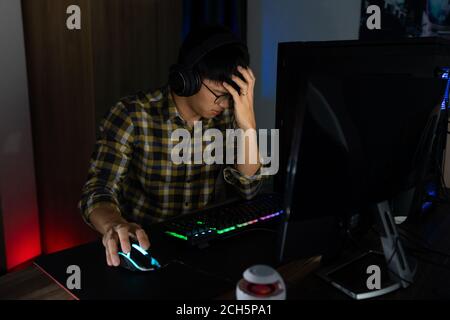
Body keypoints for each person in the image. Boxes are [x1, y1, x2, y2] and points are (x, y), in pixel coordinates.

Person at [78, 25, 266, 267]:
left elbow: (249, 190)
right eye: (219, 94)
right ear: (186, 79)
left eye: (232, 96)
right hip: (147, 245)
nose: (225, 104)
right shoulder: (132, 115)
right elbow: (97, 191)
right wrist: (115, 223)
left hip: (203, 246)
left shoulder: (229, 115)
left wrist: (248, 126)